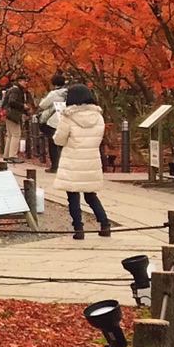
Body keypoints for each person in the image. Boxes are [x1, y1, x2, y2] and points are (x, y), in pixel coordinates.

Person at [51, 84, 112, 238]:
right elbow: (99, 137)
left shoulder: (68, 116)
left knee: (73, 196)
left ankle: (78, 229)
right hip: (91, 160)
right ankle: (105, 224)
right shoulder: (98, 116)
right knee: (90, 195)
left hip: (72, 160)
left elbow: (59, 140)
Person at [37, 72, 70, 172]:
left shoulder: (54, 94)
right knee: (64, 143)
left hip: (54, 120)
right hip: (65, 119)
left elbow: (42, 105)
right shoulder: (68, 93)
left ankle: (55, 166)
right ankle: (65, 166)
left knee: (53, 143)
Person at [1, 80, 29, 160]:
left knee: (10, 135)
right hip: (13, 115)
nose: (26, 82)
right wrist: (22, 106)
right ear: (19, 81)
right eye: (24, 80)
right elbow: (12, 101)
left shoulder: (12, 89)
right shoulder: (16, 90)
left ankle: (6, 155)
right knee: (16, 134)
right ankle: (12, 155)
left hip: (8, 114)